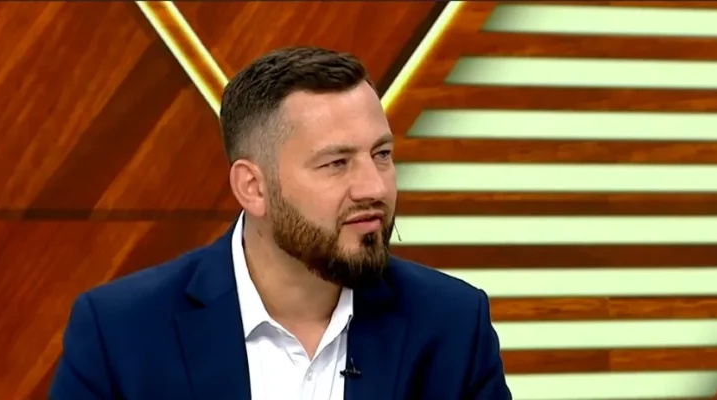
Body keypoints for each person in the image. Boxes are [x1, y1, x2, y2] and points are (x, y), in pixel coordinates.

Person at [49, 46, 511, 400]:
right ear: (253, 187)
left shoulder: (452, 325)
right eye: (336, 163)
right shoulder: (120, 334)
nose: (374, 186)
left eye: (382, 154)